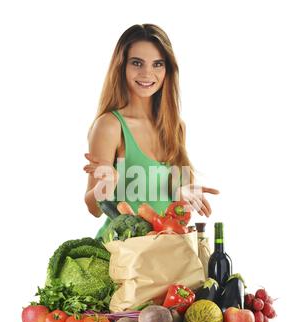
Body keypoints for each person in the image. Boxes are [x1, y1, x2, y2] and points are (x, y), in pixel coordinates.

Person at [83, 24, 219, 239]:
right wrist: (106, 183)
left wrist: (182, 197)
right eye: (137, 63)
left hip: (161, 253)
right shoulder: (110, 125)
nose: (147, 73)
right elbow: (94, 208)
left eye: (158, 64)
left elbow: (177, 214)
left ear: (167, 70)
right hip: (121, 255)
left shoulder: (176, 127)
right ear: (122, 67)